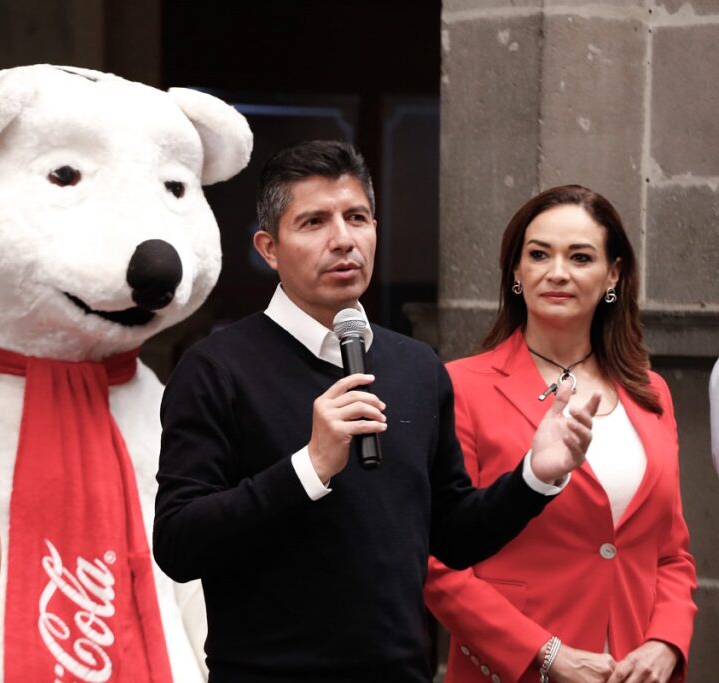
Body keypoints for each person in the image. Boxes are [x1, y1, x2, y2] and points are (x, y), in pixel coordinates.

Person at [152, 140, 601, 682]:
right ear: (269, 248)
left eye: (357, 217)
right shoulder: (216, 369)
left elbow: (454, 536)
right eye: (314, 222)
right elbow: (179, 544)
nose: (343, 240)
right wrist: (310, 466)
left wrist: (535, 477)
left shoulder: (415, 365)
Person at [423, 185, 697, 683]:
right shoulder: (460, 386)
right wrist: (546, 654)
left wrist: (666, 641)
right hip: (519, 671)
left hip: (633, 669)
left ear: (613, 273)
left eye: (580, 256)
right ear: (515, 271)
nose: (557, 272)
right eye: (538, 254)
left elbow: (671, 553)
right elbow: (436, 560)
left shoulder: (650, 392)